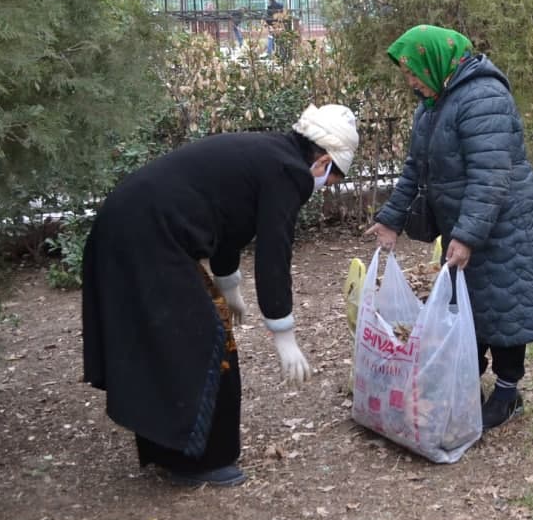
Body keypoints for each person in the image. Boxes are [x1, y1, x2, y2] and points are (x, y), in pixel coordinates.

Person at [82, 104, 359, 487]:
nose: (326, 188)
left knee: (171, 338)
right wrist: (284, 335)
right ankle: (198, 462)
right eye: (331, 180)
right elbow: (273, 254)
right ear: (323, 161)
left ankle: (171, 451)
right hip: (148, 235)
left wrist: (230, 290)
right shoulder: (290, 171)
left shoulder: (270, 153)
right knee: (202, 340)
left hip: (133, 224)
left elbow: (228, 222)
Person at [366, 25, 533, 431]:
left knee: (504, 306)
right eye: (406, 74)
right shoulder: (433, 103)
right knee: (466, 304)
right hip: (470, 219)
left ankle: (507, 392)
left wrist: (466, 235)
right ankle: (467, 378)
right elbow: (415, 169)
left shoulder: (483, 97)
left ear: (435, 61)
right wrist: (391, 218)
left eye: (413, 71)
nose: (411, 81)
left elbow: (490, 175)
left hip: (508, 221)